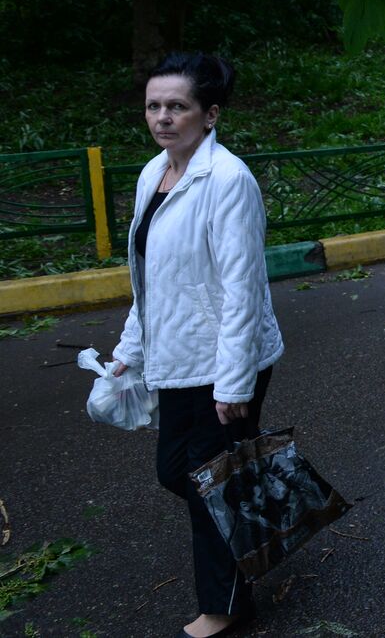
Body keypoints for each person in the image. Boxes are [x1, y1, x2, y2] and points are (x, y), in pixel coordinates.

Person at [111, 53, 284, 638]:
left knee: (210, 479)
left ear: (209, 115)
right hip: (176, 357)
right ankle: (263, 512)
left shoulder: (229, 181)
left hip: (222, 361)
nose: (162, 118)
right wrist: (129, 350)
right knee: (178, 473)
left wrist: (233, 384)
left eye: (177, 107)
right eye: (154, 106)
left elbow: (243, 290)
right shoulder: (152, 174)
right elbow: (149, 280)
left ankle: (225, 605)